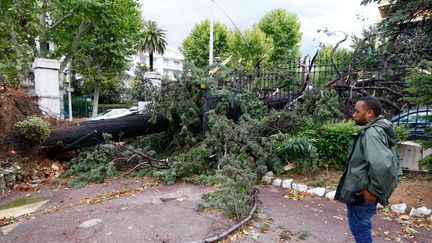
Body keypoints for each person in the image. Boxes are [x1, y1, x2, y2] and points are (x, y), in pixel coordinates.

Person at [335, 96, 402, 243]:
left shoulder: (371, 134)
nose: (353, 114)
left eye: (357, 111)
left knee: (359, 227)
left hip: (363, 194)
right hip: (365, 191)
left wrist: (372, 191)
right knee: (361, 226)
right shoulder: (379, 129)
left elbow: (382, 165)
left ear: (369, 112)